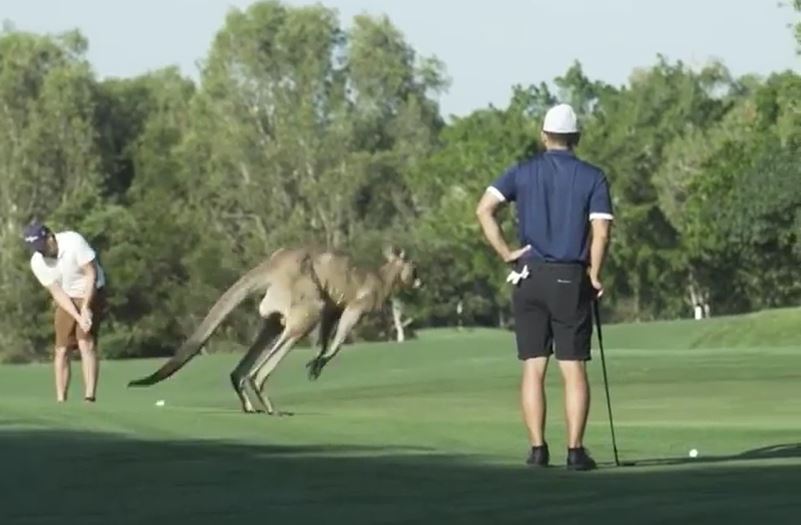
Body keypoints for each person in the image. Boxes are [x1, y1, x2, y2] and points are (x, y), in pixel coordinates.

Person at [475, 103, 614, 471]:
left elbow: (483, 209)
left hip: (528, 275)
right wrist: (595, 274)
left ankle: (538, 450)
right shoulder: (593, 177)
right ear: (577, 138)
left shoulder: (522, 171)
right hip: (569, 276)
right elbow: (601, 231)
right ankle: (575, 451)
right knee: (573, 369)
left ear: (544, 136)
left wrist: (506, 252)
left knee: (533, 368)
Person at [22, 221, 107, 403]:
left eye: (43, 246)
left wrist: (85, 308)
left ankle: (89, 397)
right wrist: (77, 315)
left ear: (51, 238)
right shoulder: (38, 262)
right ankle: (61, 400)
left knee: (86, 342)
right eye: (37, 249)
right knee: (61, 349)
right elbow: (57, 293)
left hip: (91, 290)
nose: (42, 251)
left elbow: (91, 274)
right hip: (67, 296)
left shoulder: (74, 242)